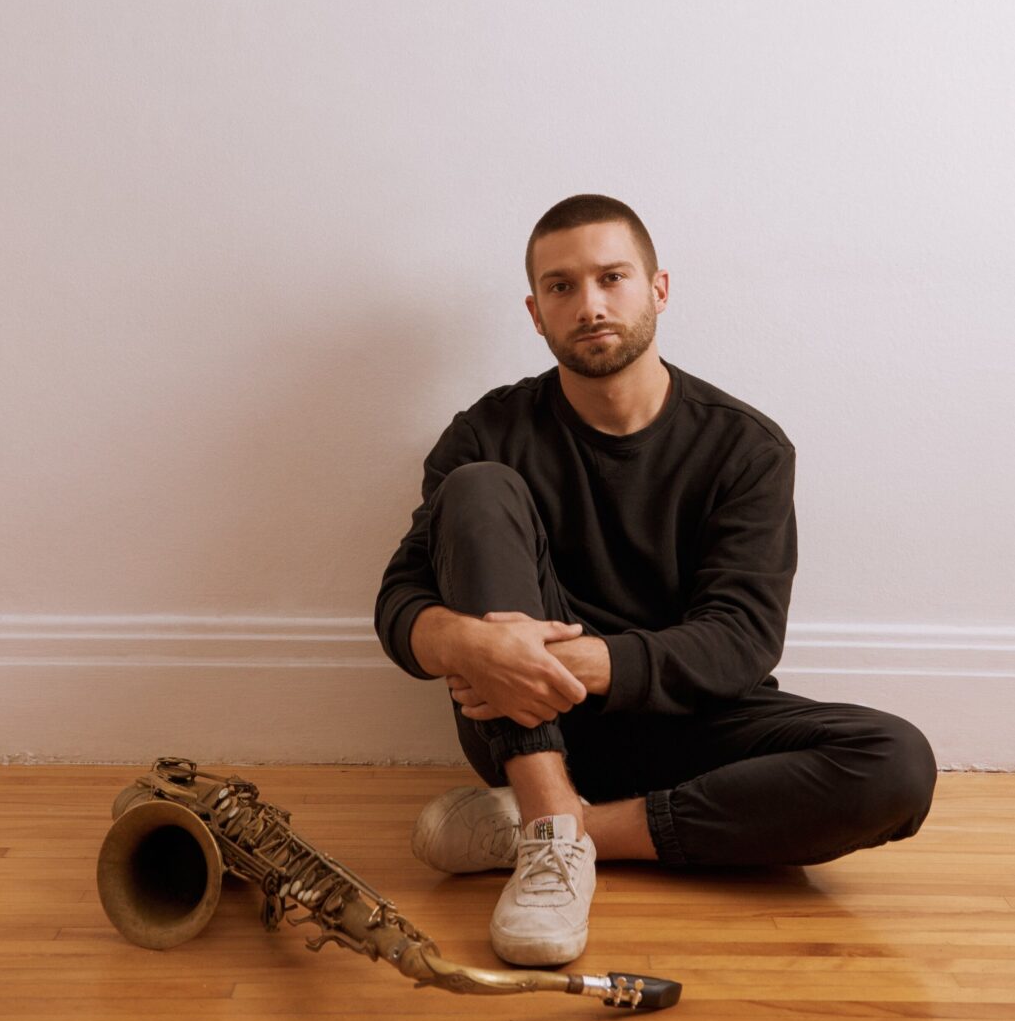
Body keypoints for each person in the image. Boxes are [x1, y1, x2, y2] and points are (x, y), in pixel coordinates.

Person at [373, 194, 937, 968]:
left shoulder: (745, 447)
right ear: (535, 312)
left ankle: (556, 833)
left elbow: (741, 640)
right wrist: (469, 644)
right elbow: (400, 601)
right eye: (562, 286)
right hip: (530, 730)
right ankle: (546, 815)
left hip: (697, 727)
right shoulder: (486, 434)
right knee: (478, 488)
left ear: (657, 289)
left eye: (611, 277)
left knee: (895, 763)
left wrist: (565, 661)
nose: (590, 305)